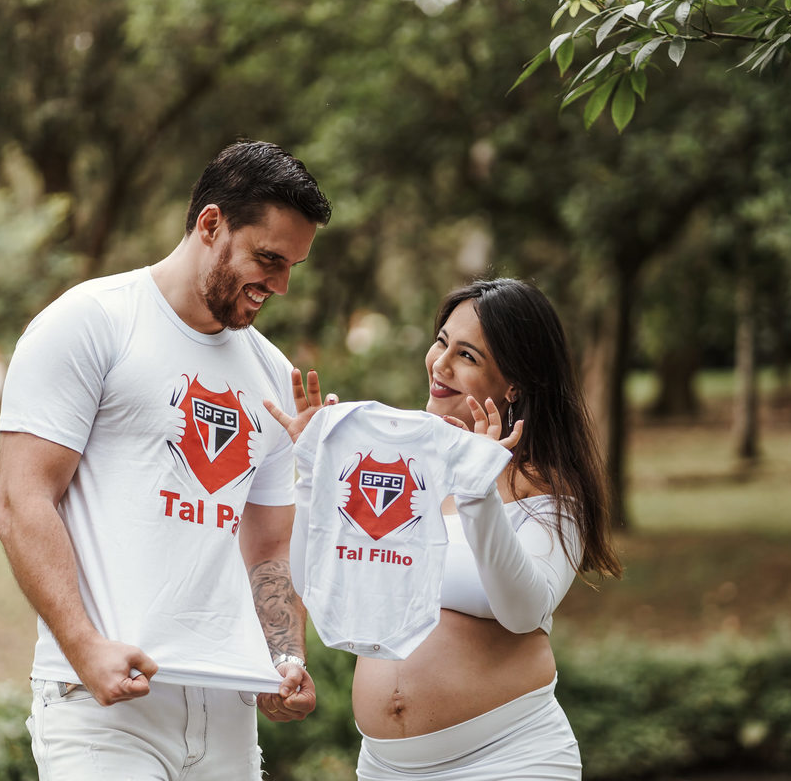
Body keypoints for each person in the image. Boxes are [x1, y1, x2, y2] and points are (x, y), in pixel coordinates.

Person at [0, 140, 332, 780]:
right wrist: (85, 649)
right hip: (103, 703)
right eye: (268, 259)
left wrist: (283, 657)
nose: (281, 286)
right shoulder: (91, 323)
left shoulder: (274, 377)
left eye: (293, 267)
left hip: (227, 711)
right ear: (211, 225)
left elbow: (267, 550)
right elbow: (21, 503)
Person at [266, 278, 622, 780]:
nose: (440, 364)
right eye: (441, 342)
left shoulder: (548, 489)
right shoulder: (401, 464)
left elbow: (523, 611)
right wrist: (313, 476)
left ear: (514, 381)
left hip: (507, 761)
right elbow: (312, 580)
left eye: (468, 355)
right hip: (386, 768)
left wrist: (478, 488)